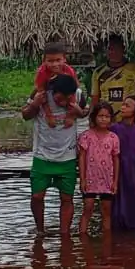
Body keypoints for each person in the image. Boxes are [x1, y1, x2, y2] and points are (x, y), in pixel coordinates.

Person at [24, 72, 86, 233]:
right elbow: (25, 115)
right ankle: (40, 231)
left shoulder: (79, 95)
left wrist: (78, 112)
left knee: (67, 198)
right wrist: (35, 104)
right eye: (60, 98)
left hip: (68, 157)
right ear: (53, 92)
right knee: (37, 196)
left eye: (67, 99)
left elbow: (88, 114)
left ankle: (65, 235)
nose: (63, 102)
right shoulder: (41, 93)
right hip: (42, 155)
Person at [76, 102, 121, 238]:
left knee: (106, 210)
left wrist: (115, 181)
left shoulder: (113, 137)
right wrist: (82, 179)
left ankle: (107, 240)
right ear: (94, 117)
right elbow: (82, 158)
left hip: (107, 179)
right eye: (100, 116)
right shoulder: (86, 136)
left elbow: (116, 159)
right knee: (88, 207)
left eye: (107, 116)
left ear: (111, 119)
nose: (103, 119)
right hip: (90, 178)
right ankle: (82, 238)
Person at [110, 94, 135, 233]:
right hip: (119, 171)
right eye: (123, 104)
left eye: (127, 105)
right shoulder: (114, 129)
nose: (123, 107)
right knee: (118, 204)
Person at [89, 35, 135, 110]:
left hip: (130, 115)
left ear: (123, 49)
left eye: (117, 49)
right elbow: (95, 98)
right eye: (110, 49)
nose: (114, 52)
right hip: (107, 115)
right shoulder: (98, 72)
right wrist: (92, 115)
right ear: (106, 50)